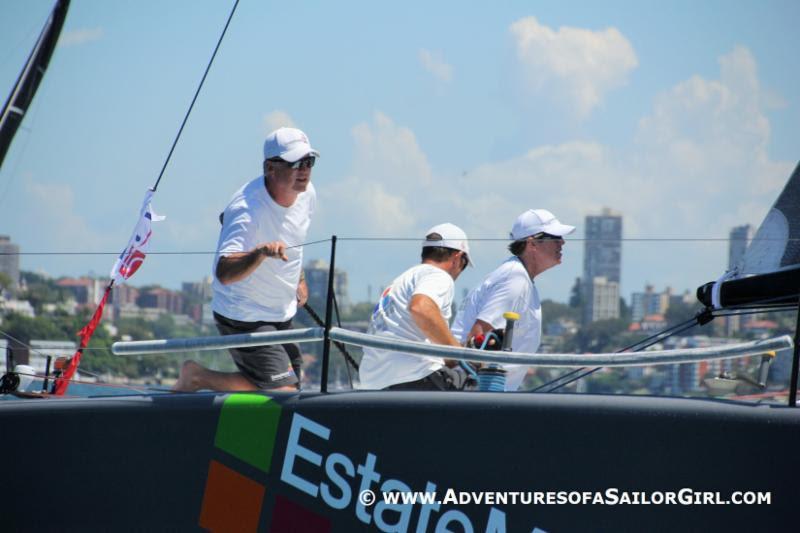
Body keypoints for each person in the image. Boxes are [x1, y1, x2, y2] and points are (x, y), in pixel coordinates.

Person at [174, 127, 319, 392]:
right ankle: (198, 378)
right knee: (284, 393)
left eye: (309, 162)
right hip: (243, 313)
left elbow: (293, 238)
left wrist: (300, 278)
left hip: (279, 310)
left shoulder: (307, 195)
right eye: (296, 163)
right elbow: (224, 272)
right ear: (270, 168)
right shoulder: (246, 209)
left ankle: (196, 375)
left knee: (290, 387)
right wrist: (259, 253)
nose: (304, 170)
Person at [451, 209, 575, 391]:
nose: (562, 242)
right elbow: (479, 341)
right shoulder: (515, 278)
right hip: (478, 393)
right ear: (532, 243)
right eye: (555, 237)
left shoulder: (518, 276)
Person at [359, 223, 473, 391]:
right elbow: (420, 308)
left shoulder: (400, 281)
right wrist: (458, 353)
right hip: (416, 377)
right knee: (479, 386)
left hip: (375, 383)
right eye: (464, 265)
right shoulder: (439, 276)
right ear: (457, 257)